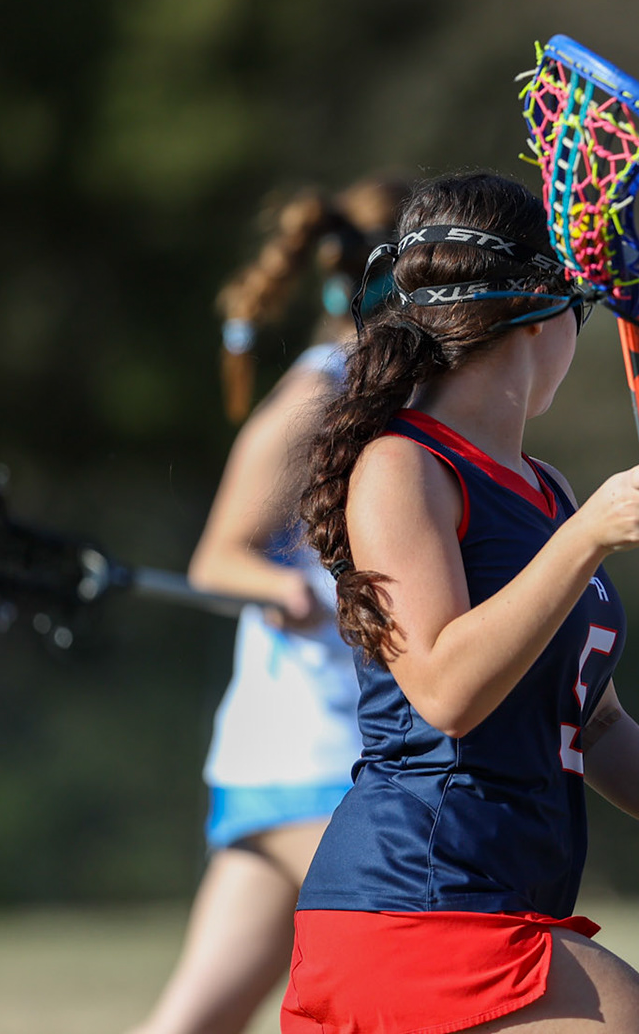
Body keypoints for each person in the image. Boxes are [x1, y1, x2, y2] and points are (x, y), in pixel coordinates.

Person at [282, 171, 639, 1034]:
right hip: (418, 901)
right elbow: (445, 689)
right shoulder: (403, 467)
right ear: (540, 315)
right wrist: (588, 537)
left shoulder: (548, 491)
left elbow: (596, 726)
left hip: (502, 898)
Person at [129, 176, 414, 1034]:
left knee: (194, 1020)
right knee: (408, 1001)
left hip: (297, 762)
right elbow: (218, 557)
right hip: (321, 757)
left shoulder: (387, 395)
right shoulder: (321, 393)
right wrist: (280, 586)